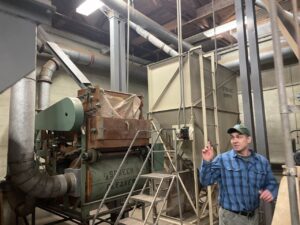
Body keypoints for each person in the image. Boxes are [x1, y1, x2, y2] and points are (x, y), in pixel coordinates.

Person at [199, 124, 278, 225]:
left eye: (239, 137)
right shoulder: (223, 159)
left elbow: (271, 182)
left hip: (254, 217)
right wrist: (206, 162)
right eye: (232, 137)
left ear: (248, 139)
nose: (235, 141)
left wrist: (271, 190)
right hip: (231, 218)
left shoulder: (262, 161)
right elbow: (206, 181)